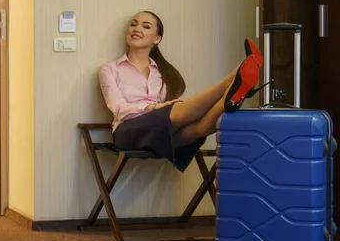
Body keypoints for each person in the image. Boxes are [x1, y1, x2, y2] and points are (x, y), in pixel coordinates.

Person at [98, 10, 264, 172]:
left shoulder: (163, 72)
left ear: (157, 39)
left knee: (198, 129)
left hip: (159, 134)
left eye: (146, 26)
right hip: (127, 132)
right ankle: (232, 81)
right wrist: (155, 108)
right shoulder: (110, 69)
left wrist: (164, 108)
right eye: (133, 24)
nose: (136, 29)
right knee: (177, 110)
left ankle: (231, 95)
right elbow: (119, 109)